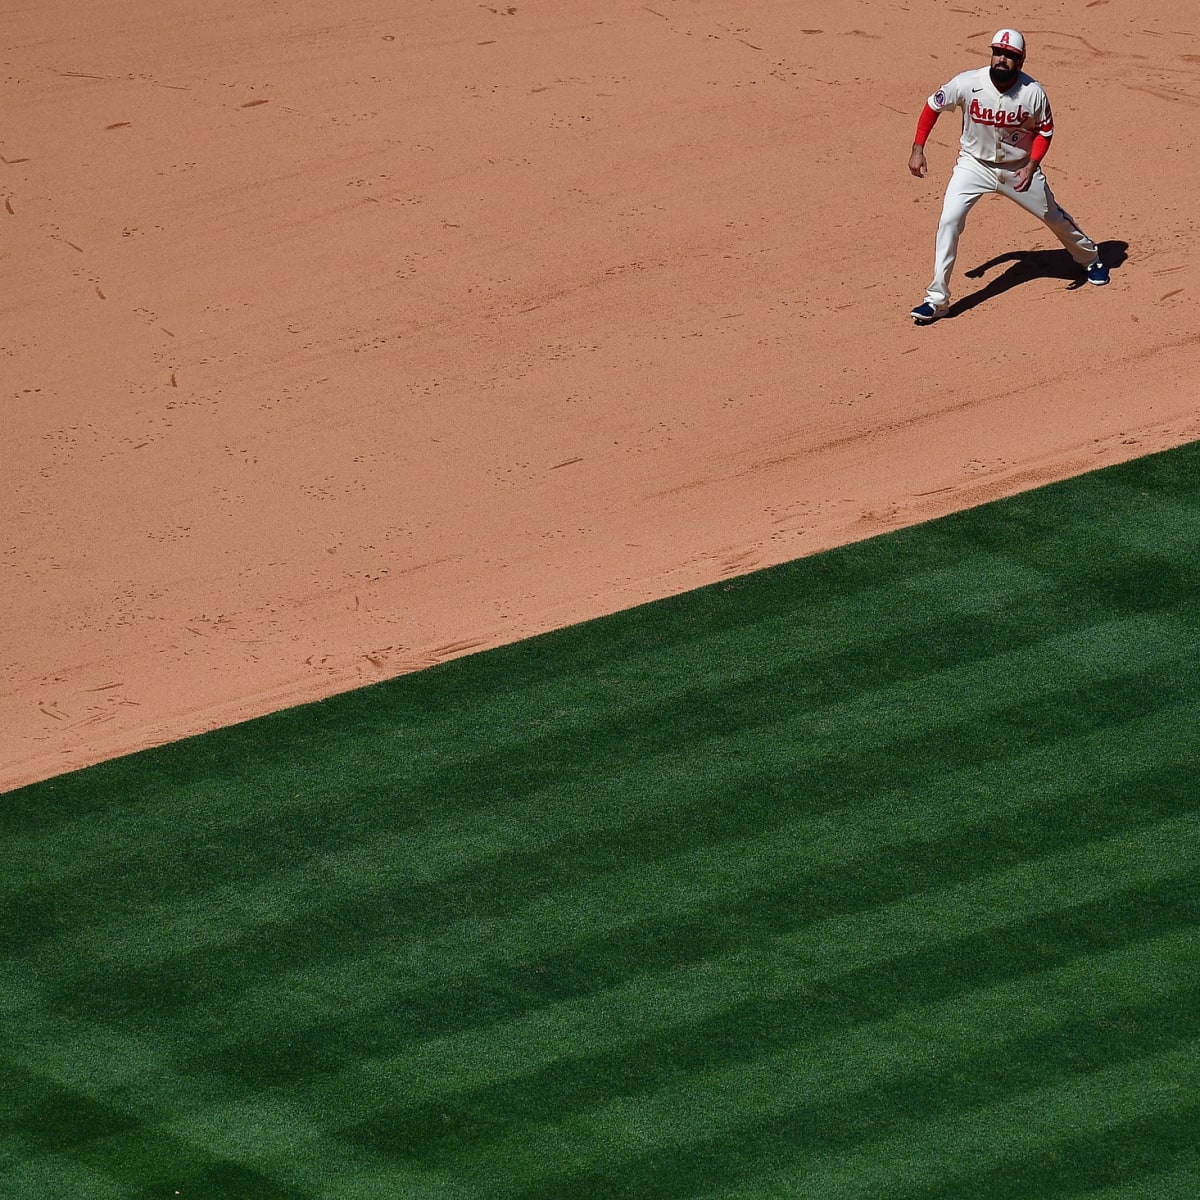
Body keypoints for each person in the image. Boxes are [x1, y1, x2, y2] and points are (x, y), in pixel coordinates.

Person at [908, 27, 1108, 325]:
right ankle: (936, 300)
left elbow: (1045, 131)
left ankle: (1090, 257)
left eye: (1010, 56)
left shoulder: (1033, 93)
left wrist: (1031, 165)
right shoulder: (967, 82)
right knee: (949, 220)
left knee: (1051, 215)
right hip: (973, 166)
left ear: (1021, 60)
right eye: (997, 53)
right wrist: (918, 148)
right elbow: (932, 105)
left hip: (1018, 169)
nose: (1002, 59)